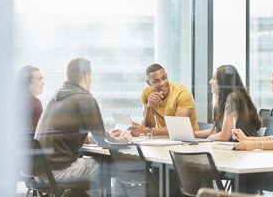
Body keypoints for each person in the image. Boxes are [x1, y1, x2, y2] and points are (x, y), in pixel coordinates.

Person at [34, 58, 130, 186]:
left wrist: (106, 135)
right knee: (117, 166)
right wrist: (125, 140)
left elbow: (66, 135)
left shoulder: (56, 98)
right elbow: (104, 142)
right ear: (87, 76)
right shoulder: (85, 99)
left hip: (39, 173)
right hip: (59, 172)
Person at [129, 63, 199, 136]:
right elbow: (148, 127)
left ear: (167, 76)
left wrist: (147, 131)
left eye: (164, 78)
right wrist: (149, 106)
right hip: (163, 139)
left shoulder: (182, 92)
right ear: (149, 83)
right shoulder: (146, 93)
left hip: (188, 140)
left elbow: (178, 128)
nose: (162, 83)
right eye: (156, 81)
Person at [195, 65, 261, 141]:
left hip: (245, 149)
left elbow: (224, 136)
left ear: (224, 81)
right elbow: (219, 130)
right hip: (234, 147)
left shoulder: (233, 98)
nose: (210, 82)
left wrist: (209, 138)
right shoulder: (225, 100)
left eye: (214, 78)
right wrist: (194, 134)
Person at [15, 65, 45, 138]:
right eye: (39, 79)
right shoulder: (35, 103)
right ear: (27, 82)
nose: (43, 83)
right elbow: (39, 135)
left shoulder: (15, 101)